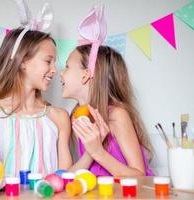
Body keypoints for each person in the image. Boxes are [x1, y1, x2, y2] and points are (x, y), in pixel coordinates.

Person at [61, 6, 154, 176]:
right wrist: (91, 153)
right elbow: (73, 174)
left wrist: (98, 152)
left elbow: (139, 176)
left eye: (66, 66)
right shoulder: (77, 115)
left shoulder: (116, 115)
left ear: (85, 75)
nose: (61, 73)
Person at [0, 27, 72, 177]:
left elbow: (66, 177)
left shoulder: (59, 118)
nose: (54, 70)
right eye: (48, 61)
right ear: (23, 61)